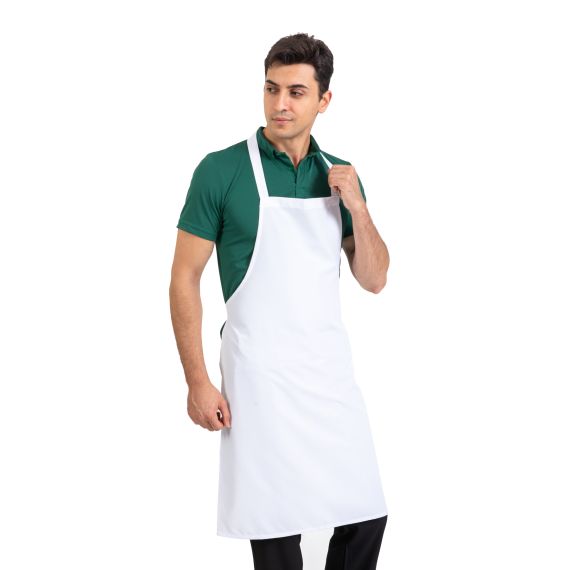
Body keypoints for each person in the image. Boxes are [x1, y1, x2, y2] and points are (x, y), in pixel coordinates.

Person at [170, 33, 390, 569]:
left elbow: (374, 279)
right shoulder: (221, 171)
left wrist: (358, 208)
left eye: (296, 92)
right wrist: (198, 380)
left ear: (324, 100)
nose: (280, 104)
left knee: (366, 513)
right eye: (271, 89)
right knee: (274, 527)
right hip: (259, 378)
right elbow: (183, 278)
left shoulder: (339, 175)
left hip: (327, 374)